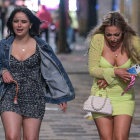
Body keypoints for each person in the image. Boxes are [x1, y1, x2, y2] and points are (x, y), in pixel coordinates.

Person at [0, 6, 75, 140]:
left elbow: (53, 72)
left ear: (30, 24)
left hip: (35, 96)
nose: (19, 25)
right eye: (16, 21)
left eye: (23, 21)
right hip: (10, 94)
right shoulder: (3, 45)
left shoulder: (42, 46)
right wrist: (3, 70)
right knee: (11, 137)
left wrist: (61, 95)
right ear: (11, 23)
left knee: (31, 138)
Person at [87, 11, 140, 140]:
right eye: (108, 35)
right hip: (101, 96)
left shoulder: (133, 41)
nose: (112, 38)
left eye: (116, 34)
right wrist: (115, 72)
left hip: (124, 97)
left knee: (121, 137)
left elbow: (138, 68)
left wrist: (109, 78)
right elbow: (93, 69)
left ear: (123, 31)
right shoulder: (98, 40)